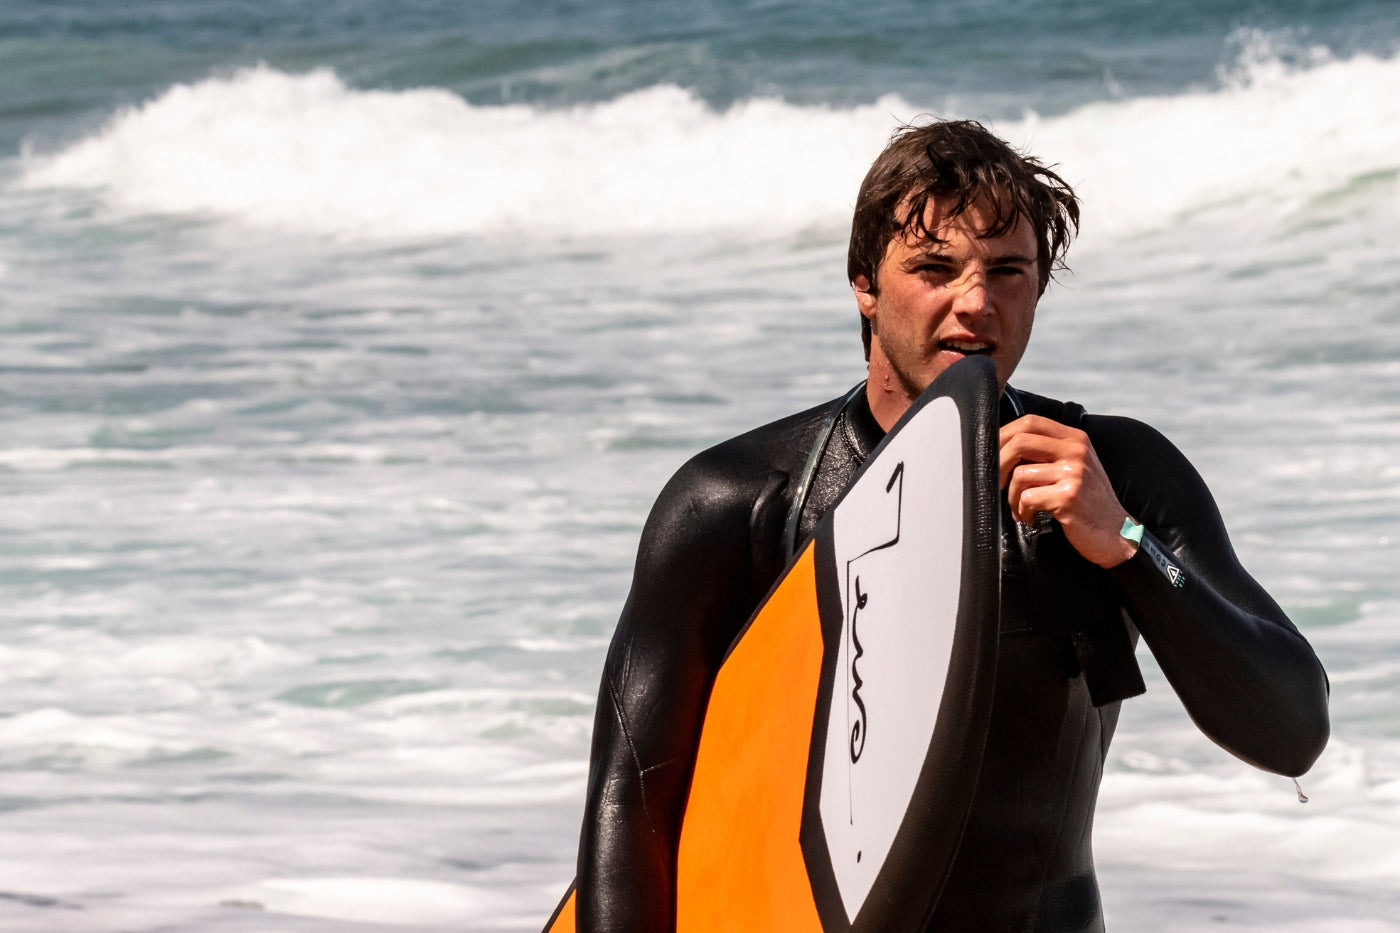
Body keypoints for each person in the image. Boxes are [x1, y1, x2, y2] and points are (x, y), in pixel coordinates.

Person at [574, 119, 1330, 932]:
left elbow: (1292, 730)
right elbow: (632, 801)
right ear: (865, 281)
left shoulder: (1118, 473)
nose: (976, 302)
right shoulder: (739, 500)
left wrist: (1129, 549)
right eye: (934, 268)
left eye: (1008, 271)